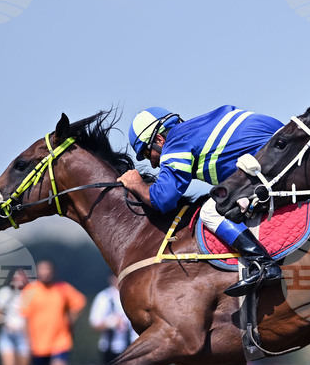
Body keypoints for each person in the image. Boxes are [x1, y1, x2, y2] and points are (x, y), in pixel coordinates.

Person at [118, 105, 284, 296]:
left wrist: (136, 184)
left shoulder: (175, 142)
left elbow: (163, 198)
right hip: (283, 148)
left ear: (159, 139)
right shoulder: (196, 128)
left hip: (272, 161)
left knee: (211, 211)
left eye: (148, 154)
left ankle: (264, 264)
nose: (153, 164)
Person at [21, 259, 86, 365]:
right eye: (42, 270)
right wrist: (27, 339)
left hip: (60, 339)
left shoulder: (63, 288)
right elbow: (24, 317)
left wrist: (70, 319)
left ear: (53, 272)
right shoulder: (30, 290)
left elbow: (80, 302)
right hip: (38, 341)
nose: (45, 273)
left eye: (47, 270)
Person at [89, 275, 141, 365]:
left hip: (131, 345)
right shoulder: (104, 298)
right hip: (110, 347)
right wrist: (110, 323)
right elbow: (94, 323)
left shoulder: (135, 294)